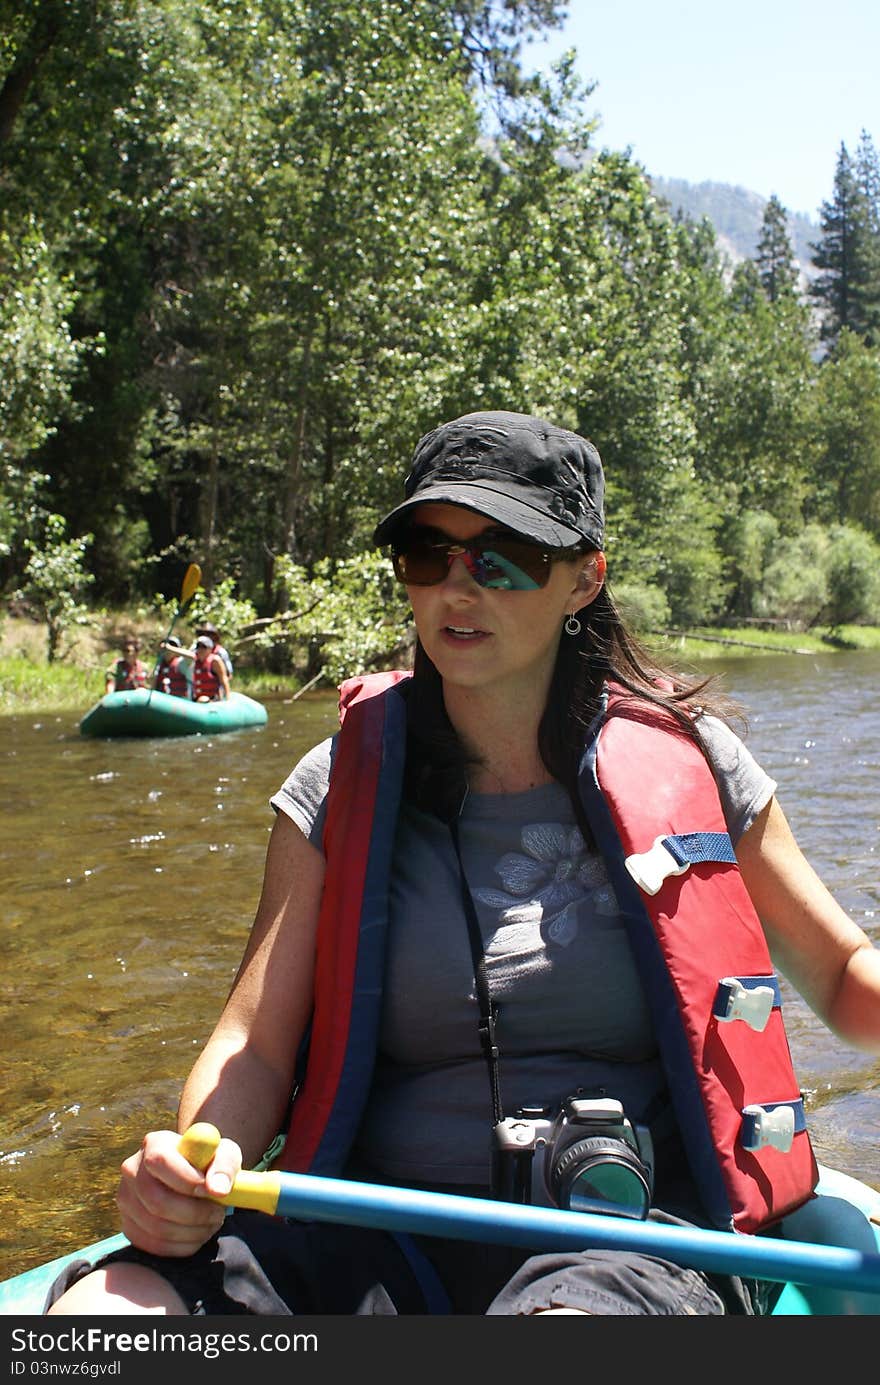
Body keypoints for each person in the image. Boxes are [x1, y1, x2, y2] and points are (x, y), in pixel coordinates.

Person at [47, 410, 880, 1318]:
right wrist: (197, 1156)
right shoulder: (335, 783)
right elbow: (255, 1043)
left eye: (502, 555)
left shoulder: (700, 764)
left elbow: (839, 975)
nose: (458, 586)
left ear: (583, 578)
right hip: (370, 1225)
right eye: (426, 552)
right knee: (105, 1316)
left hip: (633, 1237)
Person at [191, 634, 230, 701]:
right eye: (198, 647)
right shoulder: (193, 660)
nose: (201, 649)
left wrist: (228, 699)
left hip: (212, 699)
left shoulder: (215, 661)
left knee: (203, 699)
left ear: (210, 649)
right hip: (196, 699)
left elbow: (224, 679)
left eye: (204, 647)